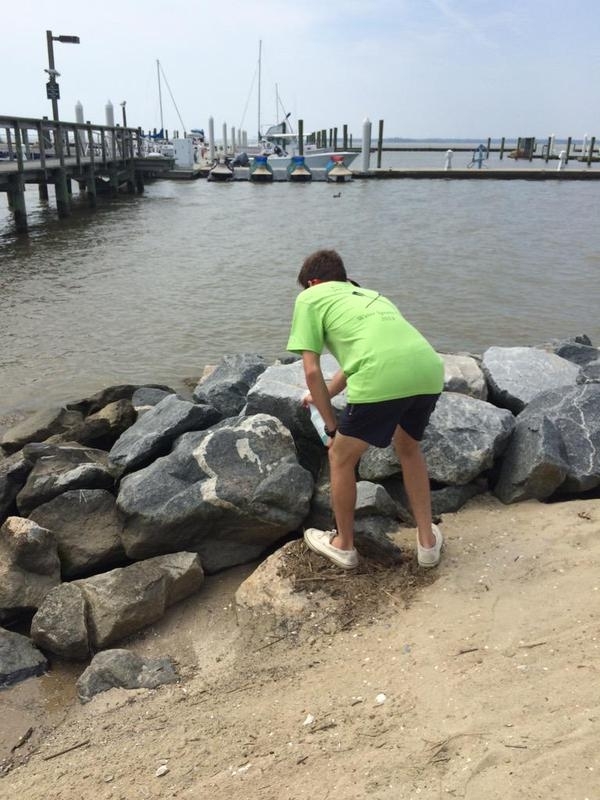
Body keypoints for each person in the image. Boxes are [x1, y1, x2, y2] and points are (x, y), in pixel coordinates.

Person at [286, 249, 444, 570]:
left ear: (313, 282)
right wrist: (324, 395)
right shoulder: (372, 296)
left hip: (381, 377)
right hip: (428, 369)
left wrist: (331, 426)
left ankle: (343, 544)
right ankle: (427, 543)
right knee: (409, 448)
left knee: (340, 457)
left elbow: (312, 370)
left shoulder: (311, 297)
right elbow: (363, 354)